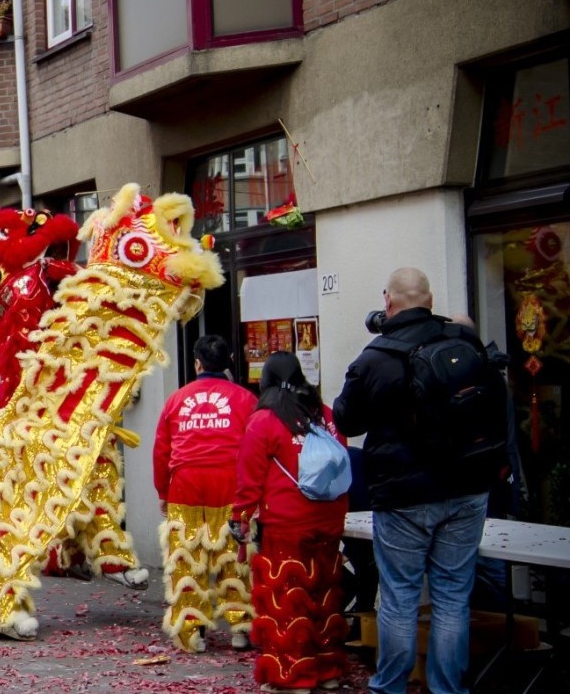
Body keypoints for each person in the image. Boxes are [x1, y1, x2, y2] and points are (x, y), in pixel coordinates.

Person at [333, 268, 501, 694]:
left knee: (401, 597)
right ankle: (448, 689)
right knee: (451, 595)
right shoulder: (464, 342)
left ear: (388, 302)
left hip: (404, 493)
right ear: (429, 299)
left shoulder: (376, 356)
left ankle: (390, 687)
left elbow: (347, 419)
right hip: (467, 487)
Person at [234, 353, 348, 694]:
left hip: (286, 523)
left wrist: (240, 516)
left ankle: (294, 677)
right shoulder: (325, 415)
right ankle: (328, 672)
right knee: (325, 597)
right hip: (329, 519)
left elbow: (249, 477)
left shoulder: (265, 420)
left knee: (287, 601)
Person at [151, 334, 258, 653]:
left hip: (185, 484)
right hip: (230, 483)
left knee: (187, 558)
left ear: (197, 363)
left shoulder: (176, 399)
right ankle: (240, 627)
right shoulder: (245, 399)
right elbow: (254, 448)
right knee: (233, 557)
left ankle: (192, 630)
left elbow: (161, 450)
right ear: (226, 364)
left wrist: (162, 491)